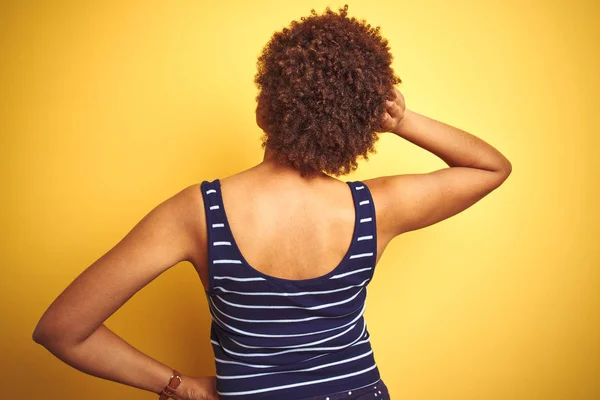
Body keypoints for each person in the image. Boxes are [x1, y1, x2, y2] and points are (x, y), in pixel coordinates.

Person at [32, 4, 512, 400]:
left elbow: (62, 329)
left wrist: (181, 387)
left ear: (264, 110)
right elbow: (491, 167)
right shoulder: (376, 208)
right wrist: (398, 119)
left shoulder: (197, 212)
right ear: (357, 128)